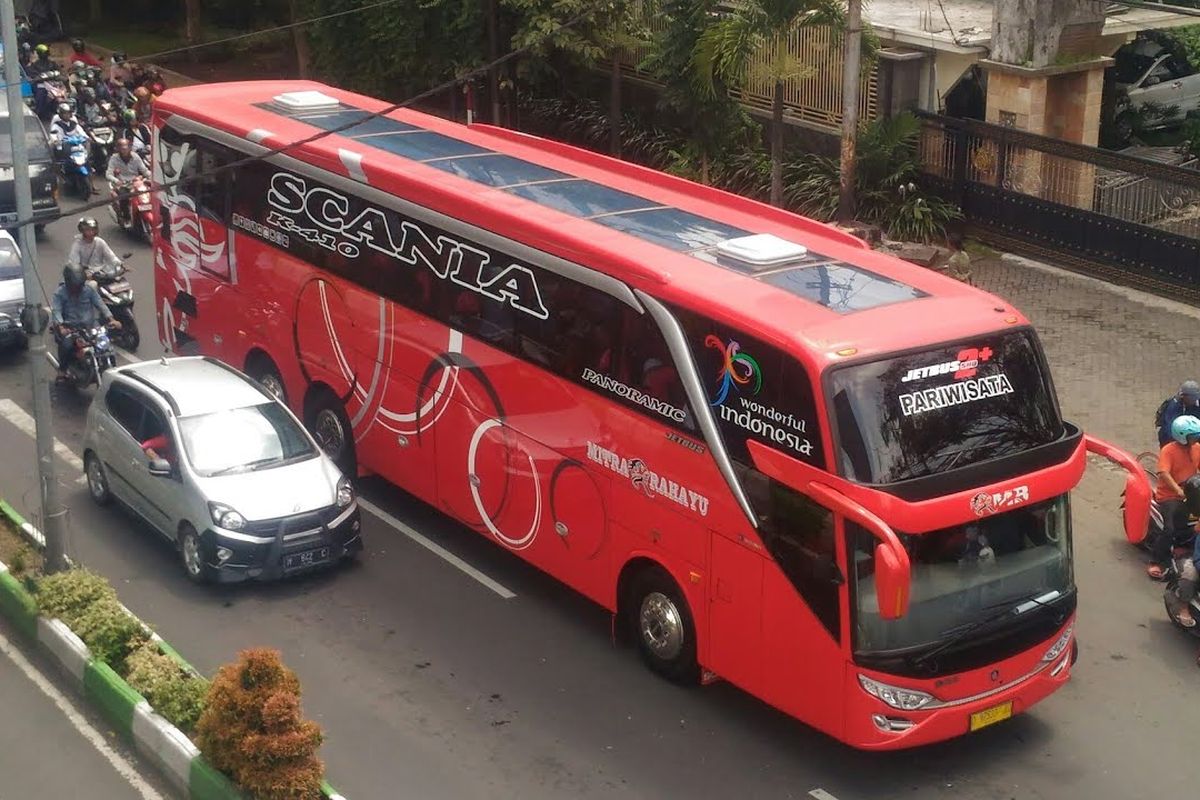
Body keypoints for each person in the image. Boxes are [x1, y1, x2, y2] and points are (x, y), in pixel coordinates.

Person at [1147, 415, 1200, 580]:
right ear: (1182, 436)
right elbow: (1163, 472)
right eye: (1193, 436)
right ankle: (1157, 561)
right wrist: (1177, 490)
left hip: (1191, 491)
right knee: (1168, 529)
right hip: (1169, 496)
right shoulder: (1168, 450)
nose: (1196, 438)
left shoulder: (1197, 448)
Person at [50, 263, 117, 380]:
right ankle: (62, 369)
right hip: (71, 328)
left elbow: (100, 304)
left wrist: (111, 319)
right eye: (75, 286)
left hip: (90, 326)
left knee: (105, 344)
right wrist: (61, 326)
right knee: (66, 345)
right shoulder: (59, 293)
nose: (78, 289)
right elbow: (56, 311)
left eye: (80, 285)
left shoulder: (89, 290)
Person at [106, 139, 150, 224]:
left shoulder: (136, 157)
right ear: (118, 149)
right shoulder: (114, 158)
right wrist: (117, 180)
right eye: (122, 148)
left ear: (130, 148)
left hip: (136, 182)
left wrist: (152, 176)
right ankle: (126, 217)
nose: (125, 150)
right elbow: (108, 174)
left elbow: (144, 170)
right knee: (124, 197)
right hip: (122, 184)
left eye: (126, 148)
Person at [1156, 381, 1200, 446]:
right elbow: (1170, 429)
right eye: (1191, 398)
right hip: (1173, 436)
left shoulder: (1197, 401)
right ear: (1183, 396)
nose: (1194, 400)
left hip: (1193, 433)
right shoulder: (1173, 406)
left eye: (1195, 397)